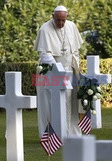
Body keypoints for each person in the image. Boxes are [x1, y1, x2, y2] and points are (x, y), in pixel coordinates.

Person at [33, 5, 83, 138]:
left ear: (67, 17)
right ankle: (53, 135)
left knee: (71, 104)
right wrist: (59, 72)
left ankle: (72, 132)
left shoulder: (71, 26)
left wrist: (76, 68)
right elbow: (45, 55)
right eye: (58, 20)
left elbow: (75, 51)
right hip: (51, 75)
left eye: (63, 20)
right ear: (52, 16)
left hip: (70, 73)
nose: (61, 23)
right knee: (50, 105)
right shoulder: (45, 29)